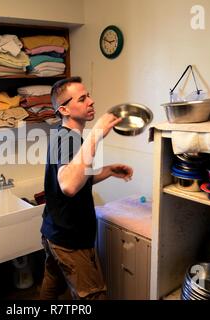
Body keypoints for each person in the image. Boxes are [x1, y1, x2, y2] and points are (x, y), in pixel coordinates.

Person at [40, 77, 134, 300]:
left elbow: (78, 178)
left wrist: (108, 170)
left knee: (52, 286)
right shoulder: (70, 139)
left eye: (88, 96)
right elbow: (69, 186)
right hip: (69, 241)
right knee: (93, 295)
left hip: (53, 231)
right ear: (64, 109)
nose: (91, 101)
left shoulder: (63, 135)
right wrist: (95, 134)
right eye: (82, 99)